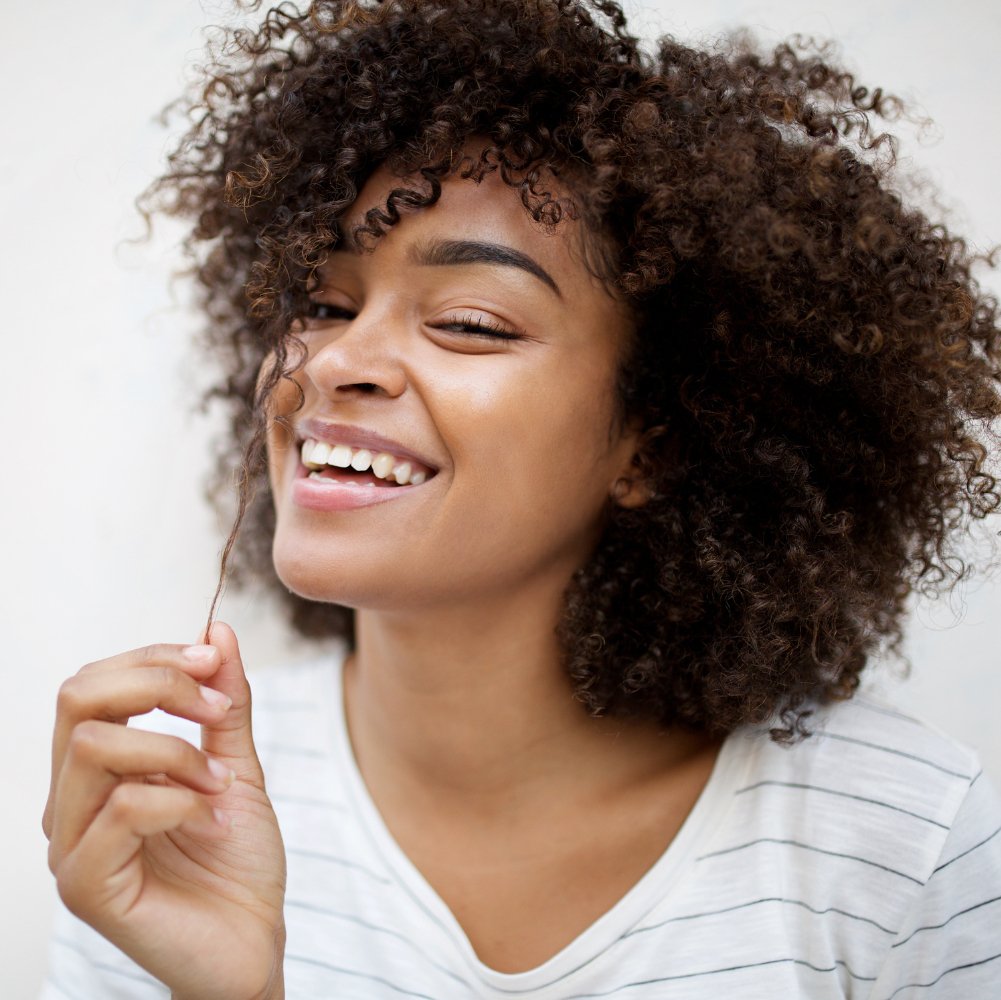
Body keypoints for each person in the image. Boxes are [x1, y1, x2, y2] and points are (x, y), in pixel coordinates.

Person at [41, 1, 1001, 997]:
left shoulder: (897, 841)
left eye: (467, 322)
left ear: (653, 442)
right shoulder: (163, 816)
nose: (335, 360)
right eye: (321, 303)